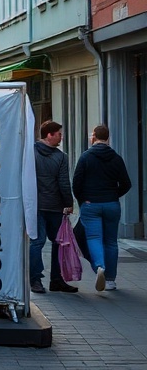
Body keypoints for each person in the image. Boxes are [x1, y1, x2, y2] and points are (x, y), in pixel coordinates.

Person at [73, 124, 132, 292]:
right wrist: (113, 196)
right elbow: (127, 184)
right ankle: (111, 281)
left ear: (93, 137)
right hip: (111, 205)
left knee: (94, 238)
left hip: (91, 205)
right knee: (111, 242)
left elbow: (76, 183)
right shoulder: (116, 158)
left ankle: (99, 266)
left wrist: (83, 200)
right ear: (108, 138)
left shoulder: (85, 157)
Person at [29, 120, 77, 294]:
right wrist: (68, 203)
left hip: (35, 206)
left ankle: (35, 280)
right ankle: (56, 280)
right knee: (59, 243)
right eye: (59, 134)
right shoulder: (61, 157)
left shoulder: (30, 152)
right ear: (49, 134)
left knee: (37, 242)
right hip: (55, 206)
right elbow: (64, 182)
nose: (61, 137)